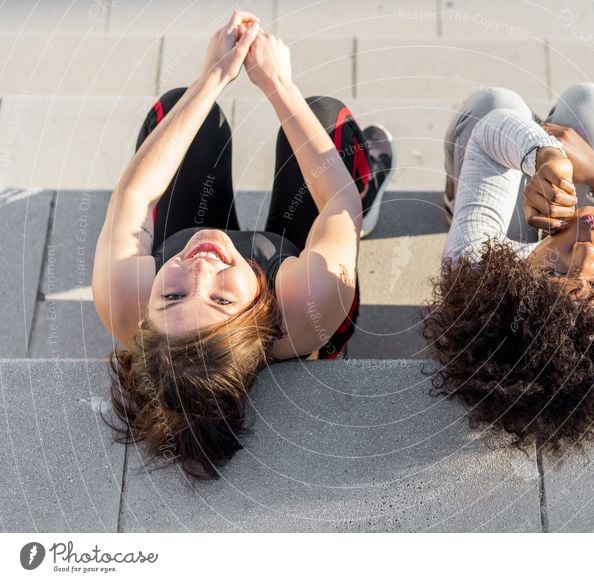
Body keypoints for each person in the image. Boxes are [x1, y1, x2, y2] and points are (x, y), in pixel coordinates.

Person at [91, 11, 395, 479]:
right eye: (220, 298)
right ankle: (328, 348)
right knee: (322, 116)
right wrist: (277, 85)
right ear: (258, 317)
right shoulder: (307, 301)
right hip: (296, 274)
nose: (199, 269)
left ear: (147, 320)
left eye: (171, 296)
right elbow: (339, 205)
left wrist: (213, 76)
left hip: (248, 262)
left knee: (180, 111)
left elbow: (132, 194)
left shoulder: (124, 299)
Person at [424, 83, 594, 455]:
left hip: (501, 240)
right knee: (591, 104)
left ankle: (456, 197)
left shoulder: (475, 269)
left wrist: (543, 157)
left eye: (556, 274)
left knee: (497, 102)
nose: (588, 252)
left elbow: (490, 131)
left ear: (518, 283)